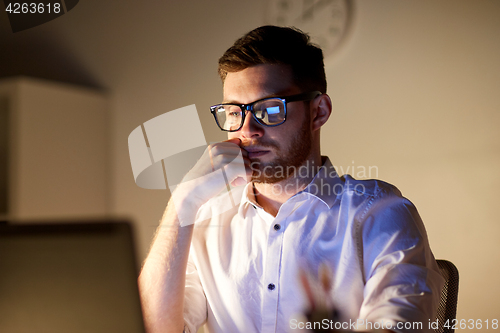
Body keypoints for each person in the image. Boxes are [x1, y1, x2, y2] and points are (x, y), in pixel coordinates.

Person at [138, 25, 444, 333]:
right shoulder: (207, 217)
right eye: (234, 112)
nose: (247, 130)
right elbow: (152, 328)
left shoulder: (380, 213)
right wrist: (183, 201)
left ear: (318, 112)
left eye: (269, 109)